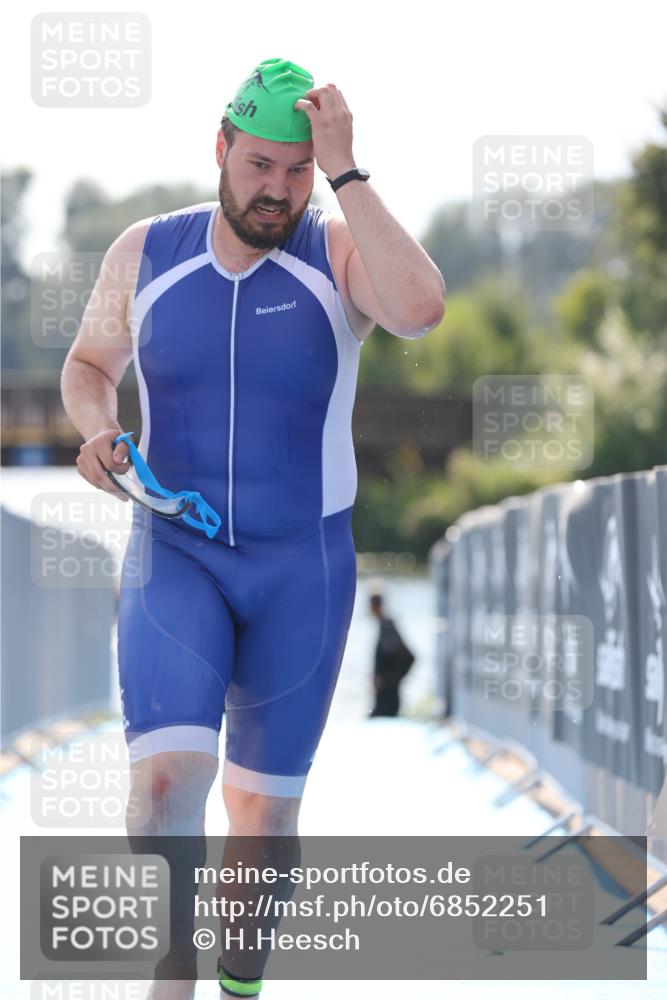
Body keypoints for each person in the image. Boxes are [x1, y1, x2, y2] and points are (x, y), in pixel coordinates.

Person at [60, 57, 446, 999]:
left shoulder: (336, 254)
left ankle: (239, 979)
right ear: (221, 148)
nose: (277, 190)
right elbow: (87, 366)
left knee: (260, 823)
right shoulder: (146, 252)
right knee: (164, 785)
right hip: (177, 550)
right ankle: (172, 962)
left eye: (296, 171)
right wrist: (101, 434)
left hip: (300, 570)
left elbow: (422, 309)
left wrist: (349, 171)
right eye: (260, 165)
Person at [368, 591, 415, 717]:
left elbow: (410, 658)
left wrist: (388, 679)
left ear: (375, 606)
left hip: (389, 698)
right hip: (383, 697)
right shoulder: (383, 626)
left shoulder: (387, 627)